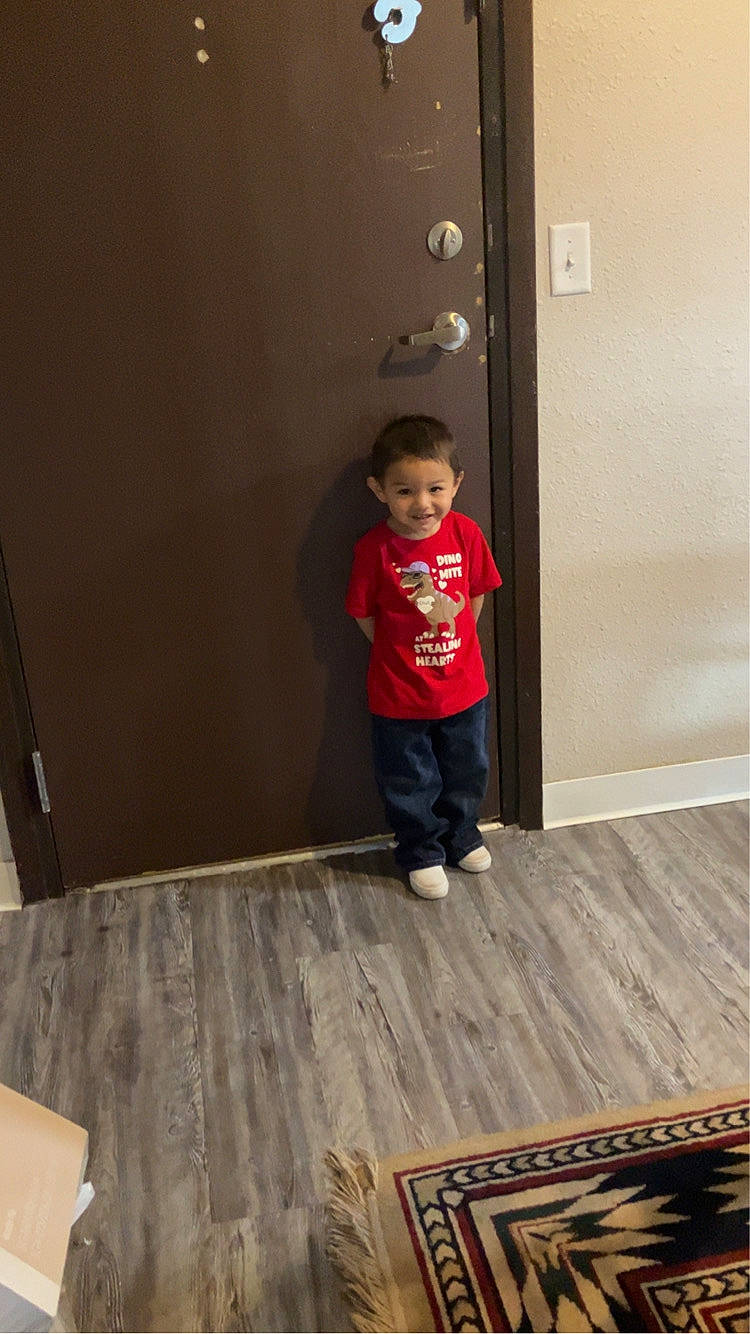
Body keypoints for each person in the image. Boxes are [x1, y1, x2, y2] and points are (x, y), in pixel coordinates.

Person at [346, 415, 502, 900]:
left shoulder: (466, 534)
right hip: (399, 693)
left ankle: (462, 835)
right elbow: (364, 614)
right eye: (404, 492)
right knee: (409, 777)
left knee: (466, 767)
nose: (422, 504)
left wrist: (455, 642)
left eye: (435, 488)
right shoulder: (374, 549)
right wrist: (399, 656)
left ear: (456, 483)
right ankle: (421, 850)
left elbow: (475, 595)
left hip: (463, 685)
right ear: (379, 490)